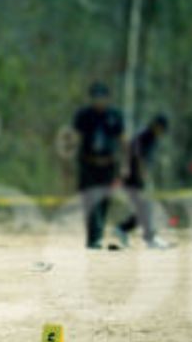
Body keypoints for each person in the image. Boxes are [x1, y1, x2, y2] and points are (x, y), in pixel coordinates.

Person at [72, 81, 125, 249]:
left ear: (107, 99)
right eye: (96, 97)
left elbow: (123, 141)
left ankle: (96, 236)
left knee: (104, 201)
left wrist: (125, 165)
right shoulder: (84, 116)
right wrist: (68, 162)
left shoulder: (115, 116)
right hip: (88, 163)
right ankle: (94, 238)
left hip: (109, 165)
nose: (99, 101)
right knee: (89, 201)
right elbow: (74, 138)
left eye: (102, 98)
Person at [114, 115, 171, 249]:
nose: (162, 133)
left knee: (144, 209)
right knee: (145, 209)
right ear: (157, 126)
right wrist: (142, 174)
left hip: (137, 178)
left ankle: (123, 229)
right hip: (134, 179)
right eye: (162, 129)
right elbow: (137, 155)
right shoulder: (145, 136)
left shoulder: (150, 137)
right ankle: (148, 238)